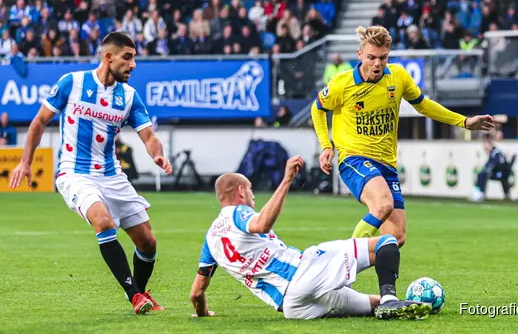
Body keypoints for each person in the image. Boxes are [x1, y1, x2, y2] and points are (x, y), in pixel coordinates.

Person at [9, 32, 173, 315]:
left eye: (134, 58)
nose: (133, 64)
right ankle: (133, 294)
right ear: (109, 57)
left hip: (112, 175)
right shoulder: (72, 83)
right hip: (74, 173)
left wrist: (156, 153)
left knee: (148, 241)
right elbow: (39, 122)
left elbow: (148, 135)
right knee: (104, 222)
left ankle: (140, 292)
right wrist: (25, 161)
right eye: (128, 57)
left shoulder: (129, 96)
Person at [311, 26, 494, 246]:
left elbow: (424, 106)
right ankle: (342, 264)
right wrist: (326, 145)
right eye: (371, 57)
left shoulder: (398, 77)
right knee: (382, 205)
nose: (377, 63)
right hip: (354, 158)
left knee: (396, 238)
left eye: (383, 57)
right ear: (359, 55)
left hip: (387, 164)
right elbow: (317, 108)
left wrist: (463, 122)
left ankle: (386, 282)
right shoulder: (342, 83)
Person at [189, 159, 432, 320]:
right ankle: (390, 298)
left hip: (293, 307)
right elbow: (262, 223)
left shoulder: (210, 240)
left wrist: (203, 314)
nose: (253, 196)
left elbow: (196, 294)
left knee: (373, 305)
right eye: (250, 189)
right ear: (241, 191)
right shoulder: (237, 213)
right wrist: (287, 180)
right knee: (386, 242)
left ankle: (397, 303)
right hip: (304, 273)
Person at [470, 136, 512, 202]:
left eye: (485, 145)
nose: (484, 147)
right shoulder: (492, 153)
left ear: (490, 144)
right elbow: (487, 165)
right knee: (481, 174)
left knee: (483, 174)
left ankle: (481, 193)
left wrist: (488, 169)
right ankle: (480, 192)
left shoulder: (496, 153)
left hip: (501, 173)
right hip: (498, 172)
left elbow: (498, 164)